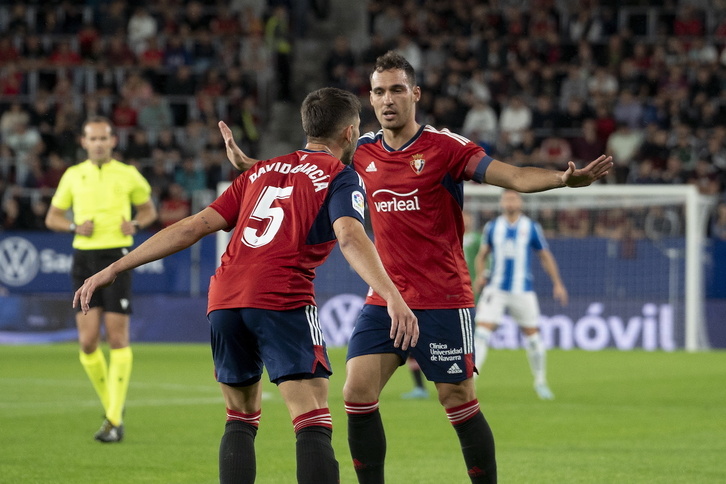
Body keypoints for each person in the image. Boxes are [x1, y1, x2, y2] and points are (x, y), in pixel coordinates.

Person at [224, 52, 612, 483]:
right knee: (356, 393)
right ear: (369, 100)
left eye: (396, 89)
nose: (386, 99)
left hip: (443, 298)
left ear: (415, 94)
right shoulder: (363, 152)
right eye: (378, 91)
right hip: (387, 299)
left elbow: (515, 177)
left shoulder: (447, 148)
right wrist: (254, 168)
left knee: (457, 398)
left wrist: (561, 179)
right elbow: (308, 168)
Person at [73, 88, 418, 483]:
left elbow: (192, 226)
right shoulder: (343, 177)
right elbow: (350, 237)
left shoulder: (259, 171)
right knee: (311, 416)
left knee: (240, 416)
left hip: (224, 299)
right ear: (350, 133)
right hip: (280, 296)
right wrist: (392, 294)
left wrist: (116, 266)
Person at [45, 116, 158, 443]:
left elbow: (149, 211)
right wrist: (72, 227)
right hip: (84, 258)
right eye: (92, 139)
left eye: (103, 138)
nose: (98, 143)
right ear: (83, 142)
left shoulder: (128, 174)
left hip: (117, 258)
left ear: (112, 141)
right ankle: (112, 409)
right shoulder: (72, 175)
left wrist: (136, 224)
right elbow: (52, 216)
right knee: (88, 342)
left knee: (118, 338)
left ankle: (113, 417)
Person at [471, 190, 568, 401]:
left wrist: (557, 283)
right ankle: (471, 382)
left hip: (522, 290)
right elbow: (482, 256)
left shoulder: (531, 227)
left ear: (521, 202)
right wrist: (480, 275)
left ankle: (540, 381)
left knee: (533, 338)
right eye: (506, 198)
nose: (510, 201)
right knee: (481, 334)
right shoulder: (492, 226)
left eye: (513, 198)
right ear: (501, 202)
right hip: (495, 289)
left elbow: (545, 256)